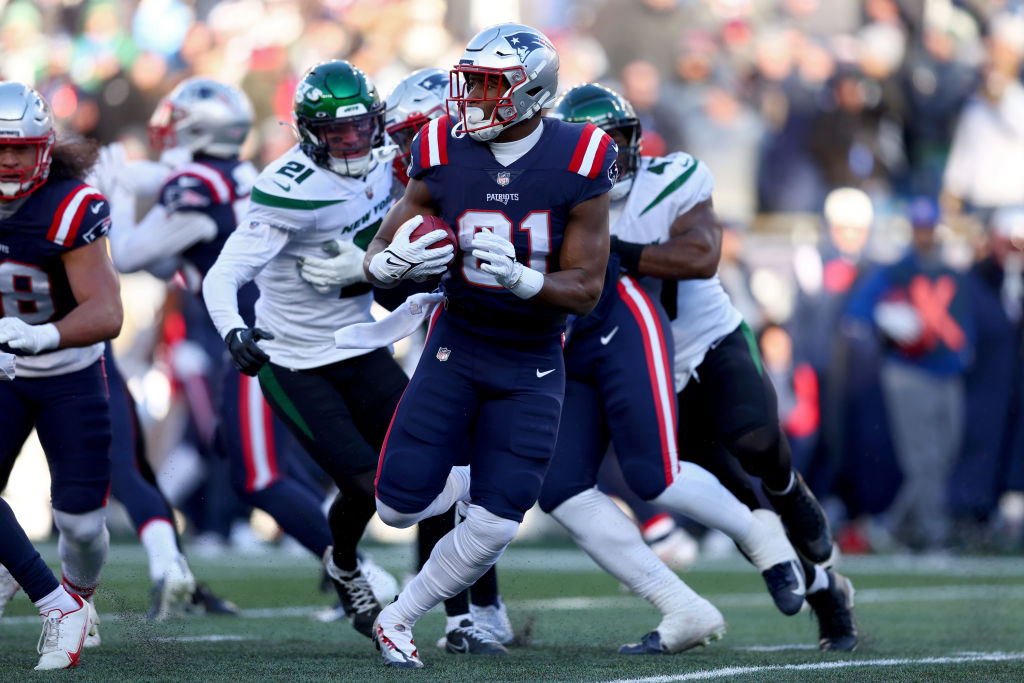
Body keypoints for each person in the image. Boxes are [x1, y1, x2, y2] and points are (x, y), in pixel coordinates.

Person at [553, 83, 857, 651]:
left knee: (759, 443)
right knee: (733, 505)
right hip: (646, 373)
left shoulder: (671, 179)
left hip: (709, 341)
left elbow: (701, 255)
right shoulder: (559, 202)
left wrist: (620, 253)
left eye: (615, 143)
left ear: (636, 142)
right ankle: (828, 596)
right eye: (593, 148)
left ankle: (790, 489)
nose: (609, 159)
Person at [361, 23, 615, 669]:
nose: (470, 96)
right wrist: (389, 267)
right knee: (394, 506)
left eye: (488, 84)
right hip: (458, 340)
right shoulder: (441, 143)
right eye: (469, 80)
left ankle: (400, 617)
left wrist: (524, 279)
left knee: (499, 523)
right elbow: (380, 250)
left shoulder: (581, 155)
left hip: (531, 356)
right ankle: (477, 478)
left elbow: (586, 288)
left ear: (532, 94)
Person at [96, 76, 337, 617]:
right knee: (257, 458)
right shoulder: (238, 173)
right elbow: (169, 258)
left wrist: (115, 191)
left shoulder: (197, 185)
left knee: (259, 474)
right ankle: (344, 566)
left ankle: (354, 568)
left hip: (255, 337)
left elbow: (132, 256)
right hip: (276, 330)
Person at [201, 60, 418, 641]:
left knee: (428, 458)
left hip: (360, 341)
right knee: (367, 483)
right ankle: (345, 566)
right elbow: (222, 276)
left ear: (378, 123)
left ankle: (457, 605)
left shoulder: (393, 164)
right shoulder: (289, 189)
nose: (351, 143)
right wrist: (231, 329)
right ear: (308, 133)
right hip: (295, 359)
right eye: (335, 133)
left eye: (360, 128)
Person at [382, 67, 512, 653]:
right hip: (445, 339)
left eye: (418, 132)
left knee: (490, 480)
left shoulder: (498, 170)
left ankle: (485, 604)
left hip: (514, 336)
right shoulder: (411, 184)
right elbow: (384, 287)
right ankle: (460, 616)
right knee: (448, 471)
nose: (409, 148)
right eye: (405, 135)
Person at [0, 81, 122, 669]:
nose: (7, 159)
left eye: (19, 148)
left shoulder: (69, 204)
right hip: (3, 369)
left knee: (79, 523)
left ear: (44, 148)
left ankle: (79, 597)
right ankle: (54, 604)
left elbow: (107, 311)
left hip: (67, 372)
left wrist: (42, 335)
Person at [844, 197, 974, 551]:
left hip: (946, 372)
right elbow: (856, 313)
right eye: (919, 229)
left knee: (944, 456)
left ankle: (891, 527)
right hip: (908, 373)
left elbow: (963, 322)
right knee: (924, 460)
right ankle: (934, 535)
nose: (924, 235)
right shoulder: (894, 271)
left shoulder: (950, 272)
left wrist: (963, 354)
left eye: (929, 228)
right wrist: (889, 321)